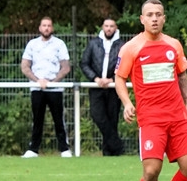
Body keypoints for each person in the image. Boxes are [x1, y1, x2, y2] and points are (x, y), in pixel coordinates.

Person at [116, 0, 187, 181]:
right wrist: (126, 103)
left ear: (164, 18)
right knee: (151, 171)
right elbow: (120, 79)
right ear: (141, 19)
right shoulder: (131, 48)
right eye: (149, 15)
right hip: (151, 119)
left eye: (158, 14)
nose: (154, 18)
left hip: (178, 116)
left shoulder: (174, 45)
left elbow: (182, 75)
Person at [21, 17, 72, 157]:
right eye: (44, 25)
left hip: (55, 89)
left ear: (52, 28)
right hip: (37, 88)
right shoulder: (32, 44)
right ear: (39, 28)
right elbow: (25, 67)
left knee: (58, 119)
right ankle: (33, 149)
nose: (46, 28)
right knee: (37, 119)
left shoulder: (59, 44)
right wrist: (38, 81)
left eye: (49, 25)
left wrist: (53, 81)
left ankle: (64, 149)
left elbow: (66, 67)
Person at [80, 19, 125, 156]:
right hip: (96, 87)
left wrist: (113, 79)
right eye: (106, 26)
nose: (109, 29)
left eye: (111, 26)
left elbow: (125, 64)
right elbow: (84, 63)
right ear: (102, 27)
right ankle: (117, 145)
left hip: (113, 87)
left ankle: (109, 152)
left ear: (115, 28)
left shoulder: (122, 45)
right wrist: (96, 78)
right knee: (97, 115)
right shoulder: (93, 44)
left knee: (112, 119)